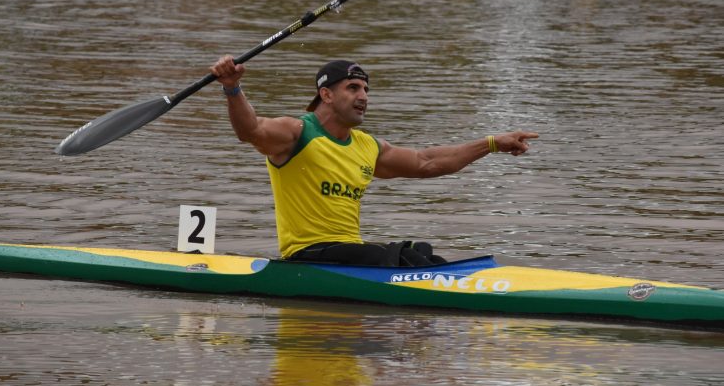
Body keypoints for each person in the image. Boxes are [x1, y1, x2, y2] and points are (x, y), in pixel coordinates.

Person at [211, 56, 539, 267]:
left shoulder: (367, 146)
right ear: (326, 94)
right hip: (308, 255)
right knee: (394, 257)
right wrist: (232, 88)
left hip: (349, 254)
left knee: (422, 252)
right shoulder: (297, 132)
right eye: (353, 87)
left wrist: (492, 143)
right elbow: (250, 130)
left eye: (366, 89)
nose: (364, 96)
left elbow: (427, 162)